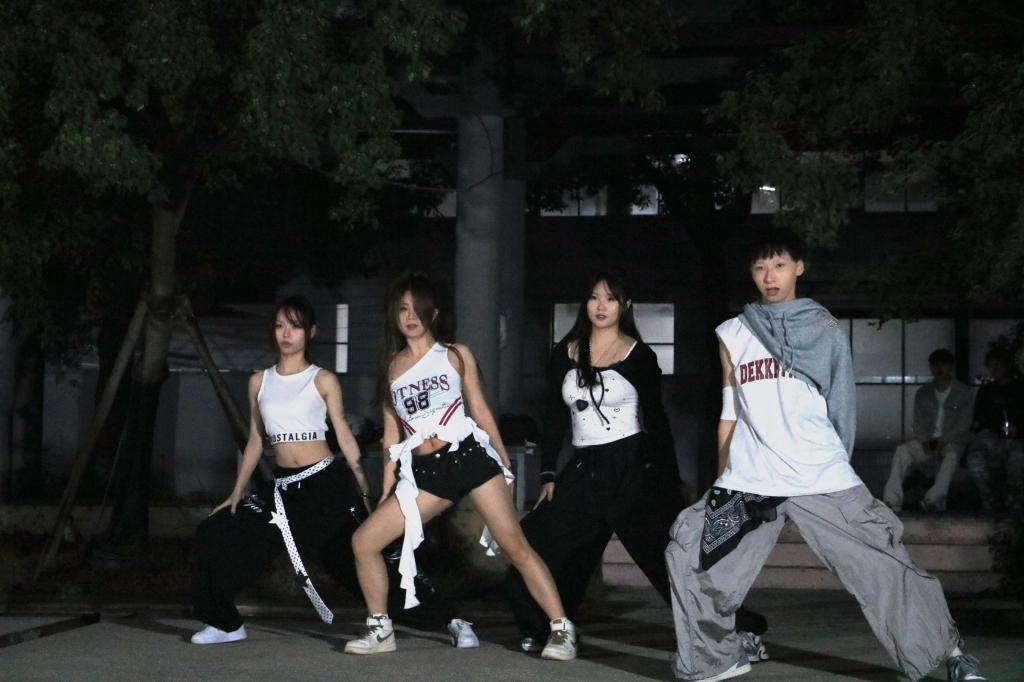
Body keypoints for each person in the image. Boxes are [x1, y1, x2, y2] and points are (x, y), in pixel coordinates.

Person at [663, 230, 985, 682]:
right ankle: (713, 659)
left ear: (798, 267)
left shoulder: (826, 329)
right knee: (690, 553)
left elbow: (841, 404)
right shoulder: (733, 332)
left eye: (779, 265)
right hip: (751, 478)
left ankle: (947, 653)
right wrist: (721, 480)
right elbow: (730, 412)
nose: (769, 276)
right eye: (760, 267)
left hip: (819, 473)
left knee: (883, 563)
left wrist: (838, 464)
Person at [505, 272, 768, 661]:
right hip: (584, 467)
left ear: (625, 306)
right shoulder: (564, 353)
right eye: (594, 297)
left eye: (610, 299)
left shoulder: (639, 356)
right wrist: (547, 473)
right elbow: (554, 416)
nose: (601, 306)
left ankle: (740, 629)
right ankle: (545, 626)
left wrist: (670, 480)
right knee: (538, 544)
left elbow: (657, 420)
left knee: (666, 560)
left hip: (632, 466)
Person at [190, 296, 476, 647]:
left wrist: (364, 487)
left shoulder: (322, 379)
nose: (286, 334)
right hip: (282, 490)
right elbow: (254, 441)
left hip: (326, 486)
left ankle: (449, 619)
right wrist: (236, 492)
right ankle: (224, 623)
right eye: (280, 326)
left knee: (360, 560)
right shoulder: (259, 381)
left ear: (310, 333)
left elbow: (343, 434)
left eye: (295, 327)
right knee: (214, 531)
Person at [344, 272, 577, 660]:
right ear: (394, 316)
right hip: (426, 473)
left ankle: (561, 628)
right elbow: (392, 436)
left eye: (418, 308)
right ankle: (380, 628)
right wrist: (386, 488)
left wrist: (503, 459)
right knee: (364, 542)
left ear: (433, 313)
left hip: (469, 458)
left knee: (515, 545)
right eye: (403, 309)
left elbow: (480, 410)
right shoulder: (392, 368)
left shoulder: (454, 354)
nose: (411, 316)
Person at [882, 349, 973, 513]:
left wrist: (943, 441)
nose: (939, 369)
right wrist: (924, 441)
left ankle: (932, 500)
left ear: (951, 367)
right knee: (902, 451)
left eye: (943, 365)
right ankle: (892, 500)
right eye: (935, 365)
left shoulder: (963, 392)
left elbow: (963, 424)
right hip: (929, 441)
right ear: (930, 367)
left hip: (952, 440)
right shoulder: (923, 393)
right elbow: (918, 422)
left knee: (951, 456)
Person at [965, 347, 1024, 515]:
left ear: (1007, 365)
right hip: (988, 437)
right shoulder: (986, 391)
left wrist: (1018, 429)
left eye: (998, 364)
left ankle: (1014, 502)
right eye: (991, 365)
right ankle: (988, 500)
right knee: (974, 458)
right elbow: (977, 418)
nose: (995, 368)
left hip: (1014, 439)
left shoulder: (1019, 388)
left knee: (1018, 457)